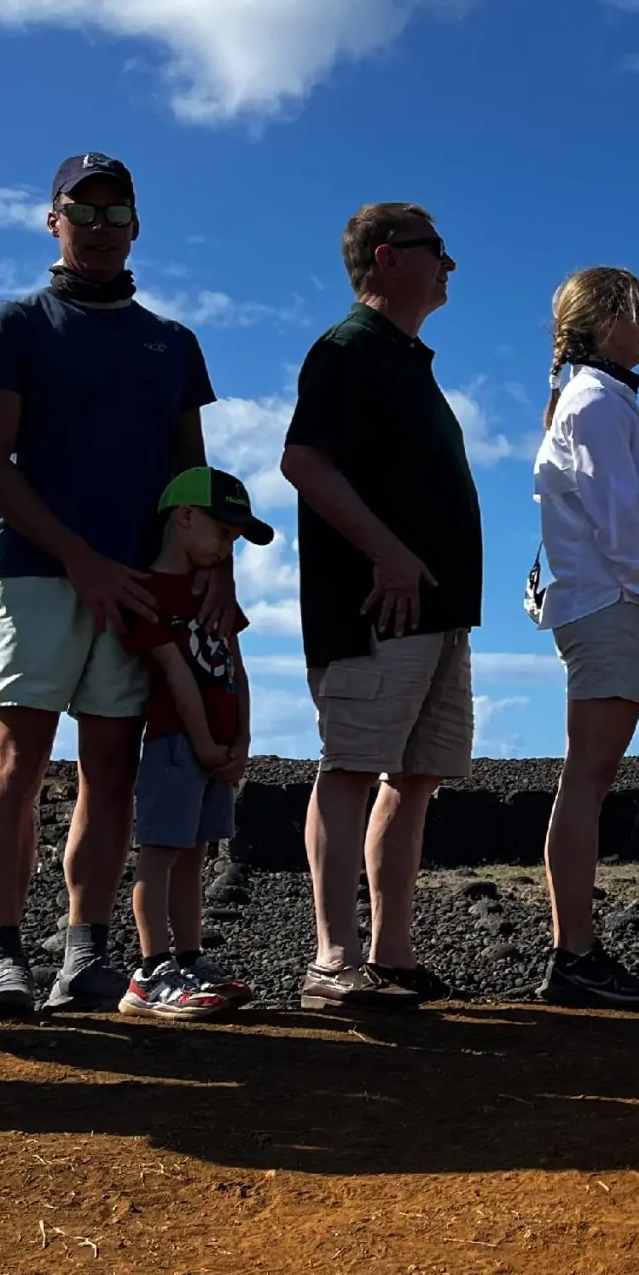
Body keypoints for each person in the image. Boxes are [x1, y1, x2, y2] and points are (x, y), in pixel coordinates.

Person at [0, 152, 223, 1017]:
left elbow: (193, 481)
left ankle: (86, 956)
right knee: (17, 763)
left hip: (141, 587)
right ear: (54, 220)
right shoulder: (13, 327)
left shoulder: (172, 344)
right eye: (85, 211)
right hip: (37, 574)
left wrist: (211, 575)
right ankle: (3, 958)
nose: (101, 229)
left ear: (138, 225)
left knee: (112, 771)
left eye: (117, 214)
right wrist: (81, 558)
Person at [280, 203, 477, 1010]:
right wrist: (388, 552)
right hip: (375, 608)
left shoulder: (403, 358)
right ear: (390, 258)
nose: (450, 266)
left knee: (418, 774)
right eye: (439, 251)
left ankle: (390, 954)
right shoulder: (348, 348)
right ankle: (334, 960)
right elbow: (302, 460)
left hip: (434, 612)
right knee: (354, 767)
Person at [529, 267, 639, 1007]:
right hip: (608, 604)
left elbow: (623, 521)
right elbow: (622, 522)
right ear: (606, 323)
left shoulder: (595, 400)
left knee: (589, 778)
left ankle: (577, 953)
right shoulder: (597, 402)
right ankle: (573, 955)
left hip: (604, 603)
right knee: (587, 779)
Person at [115, 466, 267, 1020]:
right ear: (184, 516)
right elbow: (174, 672)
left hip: (216, 748)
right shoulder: (150, 591)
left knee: (195, 855)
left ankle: (188, 955)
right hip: (176, 743)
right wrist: (205, 742)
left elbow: (238, 670)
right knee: (159, 855)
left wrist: (241, 741)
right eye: (224, 532)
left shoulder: (214, 592)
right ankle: (151, 968)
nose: (229, 547)